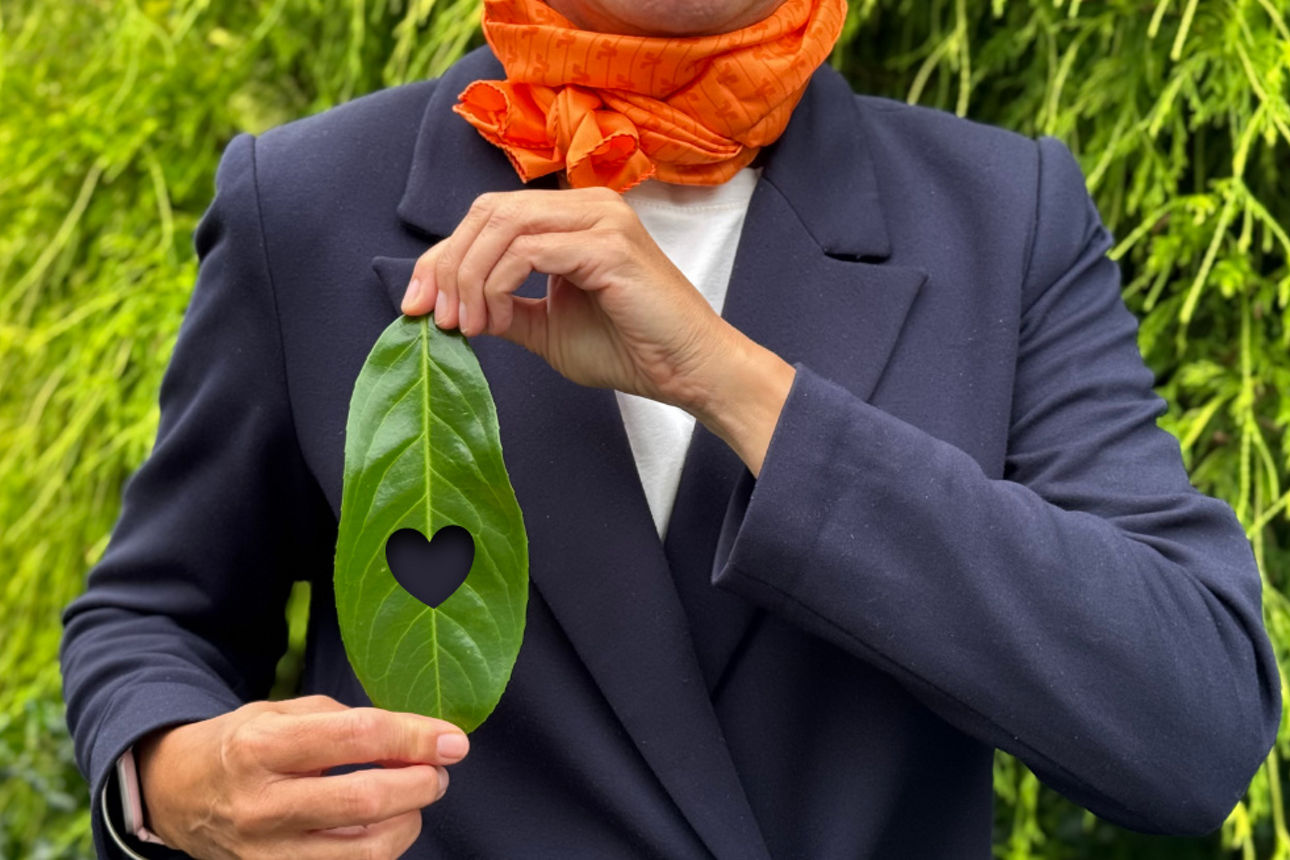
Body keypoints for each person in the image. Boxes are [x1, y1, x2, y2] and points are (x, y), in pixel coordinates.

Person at [60, 0, 1280, 857]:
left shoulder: (1003, 214)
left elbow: (1194, 724)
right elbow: (151, 613)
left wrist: (739, 386)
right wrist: (169, 780)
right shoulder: (305, 202)